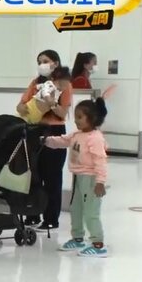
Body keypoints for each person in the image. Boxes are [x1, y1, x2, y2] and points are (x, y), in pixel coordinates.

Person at [45, 96, 109, 257]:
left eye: (80, 117)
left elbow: (100, 161)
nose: (76, 121)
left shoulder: (95, 138)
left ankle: (98, 244)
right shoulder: (76, 134)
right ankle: (78, 238)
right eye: (75, 117)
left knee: (91, 212)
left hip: (91, 179)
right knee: (76, 209)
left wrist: (100, 182)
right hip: (78, 177)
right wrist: (45, 140)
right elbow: (62, 141)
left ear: (92, 118)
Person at [17, 63, 74, 230]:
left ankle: (51, 218)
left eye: (46, 61)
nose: (42, 65)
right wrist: (28, 108)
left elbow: (62, 113)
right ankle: (32, 214)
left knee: (52, 176)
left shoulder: (65, 86)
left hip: (54, 130)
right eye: (40, 61)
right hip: (33, 128)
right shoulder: (36, 83)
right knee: (33, 174)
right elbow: (21, 106)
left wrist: (52, 104)